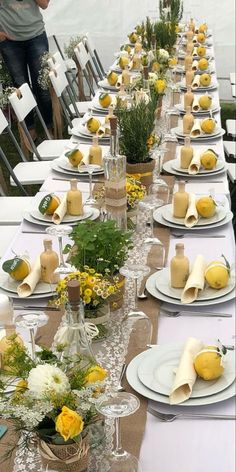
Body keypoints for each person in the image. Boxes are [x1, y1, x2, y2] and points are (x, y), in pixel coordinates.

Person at [0, 0, 52, 140]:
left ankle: (48, 128)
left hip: (36, 36)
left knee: (42, 86)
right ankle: (30, 131)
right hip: (10, 42)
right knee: (21, 88)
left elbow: (44, 4)